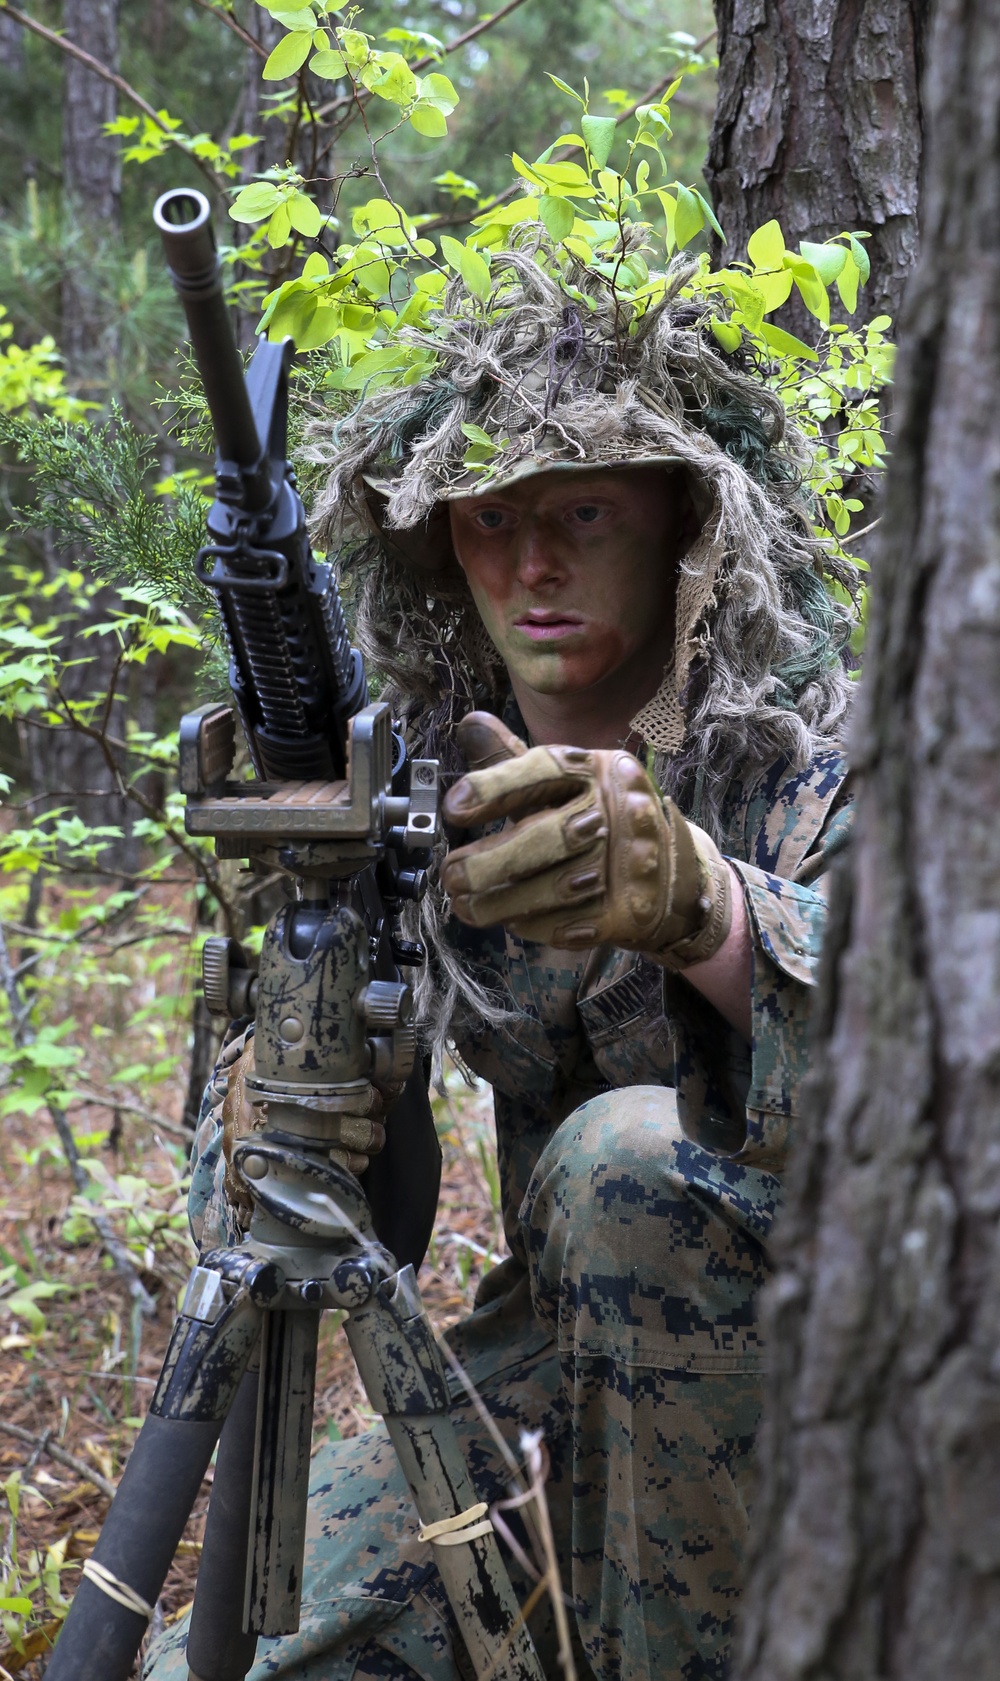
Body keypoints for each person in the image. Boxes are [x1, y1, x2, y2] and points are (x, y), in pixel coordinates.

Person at [147, 240, 854, 1681]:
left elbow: (936, 1045)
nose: (529, 564)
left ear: (679, 527)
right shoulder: (424, 779)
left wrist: (702, 904)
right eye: (485, 521)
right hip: (563, 1365)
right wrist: (288, 1103)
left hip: (862, 1363)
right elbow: (347, 1224)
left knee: (624, 1157)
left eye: (583, 511)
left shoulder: (817, 741)